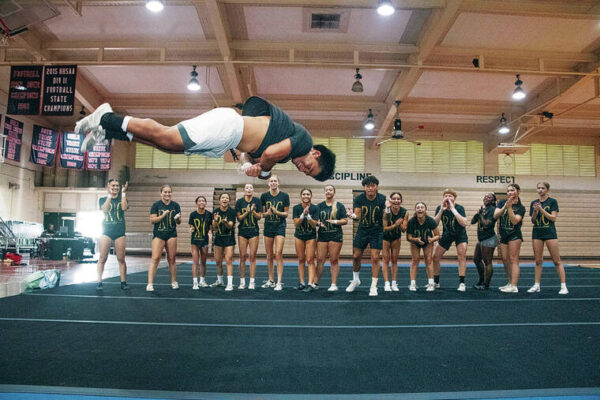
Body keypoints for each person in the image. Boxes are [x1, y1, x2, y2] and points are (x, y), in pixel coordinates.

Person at [75, 96, 335, 181]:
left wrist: (248, 165)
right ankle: (107, 117)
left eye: (306, 174)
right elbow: (266, 157)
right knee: (167, 136)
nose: (302, 169)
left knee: (167, 147)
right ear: (316, 153)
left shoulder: (288, 146)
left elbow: (252, 153)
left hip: (229, 139)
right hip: (228, 127)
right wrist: (264, 173)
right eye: (309, 167)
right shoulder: (303, 140)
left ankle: (110, 131)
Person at [346, 175, 387, 297]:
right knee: (356, 256)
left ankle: (373, 285)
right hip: (363, 230)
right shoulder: (359, 199)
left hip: (377, 231)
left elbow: (387, 218)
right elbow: (357, 216)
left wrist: (388, 208)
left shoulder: (382, 199)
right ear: (364, 188)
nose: (370, 188)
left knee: (375, 257)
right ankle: (355, 280)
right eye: (367, 186)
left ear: (377, 187)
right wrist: (351, 215)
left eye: (372, 186)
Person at [528, 182, 568, 295]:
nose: (540, 190)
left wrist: (541, 210)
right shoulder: (534, 203)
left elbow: (553, 218)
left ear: (547, 190)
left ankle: (563, 286)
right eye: (538, 188)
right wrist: (535, 211)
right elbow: (533, 221)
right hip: (537, 233)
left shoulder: (552, 202)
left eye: (543, 188)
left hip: (550, 233)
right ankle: (536, 285)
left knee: (556, 260)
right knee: (538, 261)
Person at [432, 189, 469, 292]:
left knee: (461, 256)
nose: (447, 198)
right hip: (447, 234)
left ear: (454, 198)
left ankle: (462, 283)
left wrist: (453, 209)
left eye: (450, 196)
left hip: (460, 235)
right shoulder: (440, 208)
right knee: (435, 257)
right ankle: (436, 282)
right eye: (446, 196)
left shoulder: (459, 208)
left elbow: (464, 223)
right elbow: (434, 224)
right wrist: (441, 211)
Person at [147, 184, 181, 292]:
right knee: (155, 258)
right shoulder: (156, 205)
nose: (167, 194)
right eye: (165, 192)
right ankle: (150, 283)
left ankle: (173, 281)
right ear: (161, 193)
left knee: (172, 259)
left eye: (169, 192)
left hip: (171, 234)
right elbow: (152, 220)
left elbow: (179, 222)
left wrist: (177, 219)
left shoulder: (175, 205)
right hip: (159, 234)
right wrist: (163, 215)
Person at [314, 185, 347, 292]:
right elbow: (314, 221)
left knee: (334, 260)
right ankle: (315, 283)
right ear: (324, 192)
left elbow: (345, 220)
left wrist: (335, 221)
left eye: (330, 190)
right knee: (320, 260)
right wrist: (318, 224)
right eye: (326, 190)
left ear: (334, 192)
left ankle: (333, 284)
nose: (328, 191)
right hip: (322, 236)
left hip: (335, 236)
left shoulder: (339, 206)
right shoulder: (319, 206)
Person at [96, 179, 129, 290]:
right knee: (102, 258)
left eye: (117, 185)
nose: (115, 187)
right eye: (113, 185)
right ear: (108, 186)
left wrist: (124, 193)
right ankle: (99, 282)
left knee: (121, 258)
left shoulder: (122, 198)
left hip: (120, 232)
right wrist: (109, 195)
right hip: (106, 231)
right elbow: (104, 209)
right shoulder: (102, 199)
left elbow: (124, 208)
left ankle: (123, 282)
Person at [260, 175, 289, 291]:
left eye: (275, 181)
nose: (273, 183)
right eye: (271, 181)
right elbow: (262, 214)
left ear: (278, 183)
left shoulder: (284, 196)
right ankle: (271, 280)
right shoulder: (264, 196)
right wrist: (267, 214)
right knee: (269, 255)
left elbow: (286, 214)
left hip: (280, 227)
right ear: (268, 183)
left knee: (278, 253)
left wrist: (277, 212)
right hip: (268, 227)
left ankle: (279, 281)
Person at [495, 183, 525, 293]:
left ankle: (514, 285)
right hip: (504, 235)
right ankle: (510, 282)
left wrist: (510, 208)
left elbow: (515, 221)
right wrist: (504, 206)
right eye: (508, 191)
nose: (509, 193)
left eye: (512, 190)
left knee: (513, 259)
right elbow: (495, 215)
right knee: (505, 260)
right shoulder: (502, 202)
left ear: (518, 192)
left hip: (514, 235)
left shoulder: (521, 208)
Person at [406, 202, 440, 291]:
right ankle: (412, 284)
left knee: (428, 260)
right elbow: (408, 237)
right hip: (415, 241)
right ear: (415, 210)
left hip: (428, 242)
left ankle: (431, 283)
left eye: (422, 207)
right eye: (418, 207)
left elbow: (437, 235)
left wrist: (431, 240)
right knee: (415, 260)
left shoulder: (430, 221)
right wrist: (416, 240)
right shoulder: (411, 221)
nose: (420, 209)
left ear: (425, 210)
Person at [236, 184, 262, 290]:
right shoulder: (239, 202)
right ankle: (242, 281)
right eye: (247, 188)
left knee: (252, 257)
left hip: (254, 231)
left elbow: (259, 217)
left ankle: (252, 281)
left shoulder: (257, 201)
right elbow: (239, 218)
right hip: (242, 232)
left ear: (253, 190)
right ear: (244, 190)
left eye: (251, 188)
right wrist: (247, 211)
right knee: (242, 257)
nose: (249, 190)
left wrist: (253, 211)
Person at [470, 193, 499, 290]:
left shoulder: (493, 210)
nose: (486, 198)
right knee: (476, 259)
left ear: (493, 201)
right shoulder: (483, 209)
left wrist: (481, 214)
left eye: (489, 197)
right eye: (485, 196)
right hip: (481, 239)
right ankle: (481, 280)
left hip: (489, 238)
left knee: (487, 262)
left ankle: (486, 284)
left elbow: (487, 224)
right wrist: (478, 213)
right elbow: (473, 221)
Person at [292, 188, 319, 291]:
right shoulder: (296, 208)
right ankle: (302, 282)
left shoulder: (315, 208)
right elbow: (296, 223)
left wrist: (308, 217)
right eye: (304, 194)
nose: (306, 196)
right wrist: (303, 214)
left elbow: (314, 225)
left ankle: (310, 283)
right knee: (300, 259)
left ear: (311, 196)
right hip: (299, 236)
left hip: (310, 236)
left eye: (308, 194)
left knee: (310, 260)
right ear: (301, 196)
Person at [382, 192, 408, 292]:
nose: (396, 200)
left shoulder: (404, 212)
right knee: (385, 260)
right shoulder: (385, 211)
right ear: (391, 201)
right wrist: (396, 224)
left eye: (398, 199)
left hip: (396, 237)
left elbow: (404, 229)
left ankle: (394, 283)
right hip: (385, 237)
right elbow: (384, 228)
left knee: (394, 260)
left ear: (401, 201)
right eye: (394, 198)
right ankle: (386, 283)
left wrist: (400, 224)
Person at [211, 193, 237, 291]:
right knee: (218, 261)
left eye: (227, 198)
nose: (224, 199)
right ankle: (220, 280)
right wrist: (216, 221)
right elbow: (213, 227)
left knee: (228, 260)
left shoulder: (232, 212)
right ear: (219, 200)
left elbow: (230, 225)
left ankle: (230, 283)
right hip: (218, 238)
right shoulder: (216, 212)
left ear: (229, 200)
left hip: (229, 238)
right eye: (223, 198)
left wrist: (225, 222)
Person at [189, 196, 212, 289]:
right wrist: (191, 229)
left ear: (206, 203)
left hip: (204, 240)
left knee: (203, 261)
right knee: (195, 261)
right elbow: (191, 226)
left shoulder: (209, 214)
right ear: (196, 203)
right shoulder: (193, 214)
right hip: (195, 240)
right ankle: (195, 282)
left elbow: (211, 227)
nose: (201, 202)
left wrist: (210, 232)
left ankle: (202, 280)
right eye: (199, 201)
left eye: (203, 201)